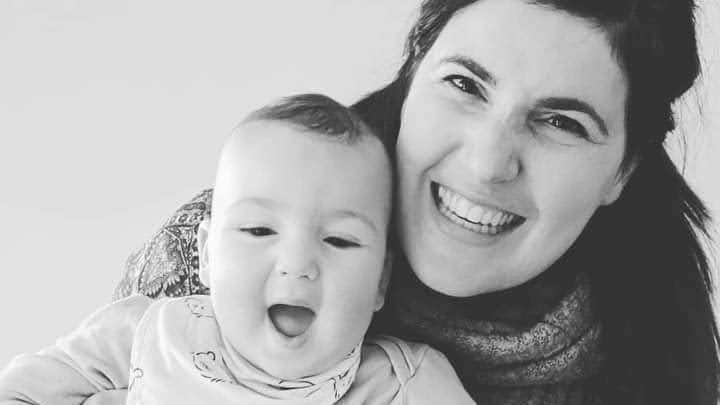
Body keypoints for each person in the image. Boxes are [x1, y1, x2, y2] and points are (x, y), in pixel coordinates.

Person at [7, 0, 720, 403]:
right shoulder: (209, 261)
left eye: (561, 121)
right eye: (465, 84)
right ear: (413, 76)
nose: (487, 162)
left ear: (622, 171)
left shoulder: (654, 369)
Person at [0, 94, 475, 405]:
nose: (297, 265)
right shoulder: (147, 334)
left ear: (381, 281)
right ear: (206, 255)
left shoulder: (407, 384)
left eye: (339, 240)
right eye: (258, 231)